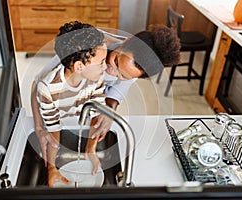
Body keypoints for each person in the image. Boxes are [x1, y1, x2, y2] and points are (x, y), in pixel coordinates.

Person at [31, 23, 181, 180]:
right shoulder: (85, 46)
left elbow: (114, 93)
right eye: (115, 61)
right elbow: (39, 85)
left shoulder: (135, 66)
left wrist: (108, 113)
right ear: (125, 41)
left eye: (122, 75)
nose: (111, 71)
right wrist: (39, 127)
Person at [34, 21, 108, 187]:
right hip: (60, 121)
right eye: (101, 62)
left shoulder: (97, 79)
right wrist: (52, 168)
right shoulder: (48, 88)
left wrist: (91, 149)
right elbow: (53, 130)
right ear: (79, 66)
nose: (106, 66)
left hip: (77, 122)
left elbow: (96, 116)